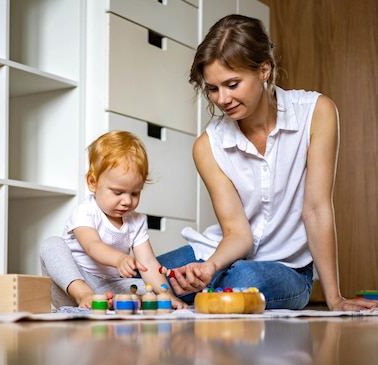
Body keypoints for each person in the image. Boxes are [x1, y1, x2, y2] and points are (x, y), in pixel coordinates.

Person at [156, 14, 378, 311]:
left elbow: (316, 210)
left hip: (287, 269)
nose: (222, 99)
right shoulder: (207, 147)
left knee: (242, 279)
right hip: (222, 253)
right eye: (212, 88)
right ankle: (203, 294)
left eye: (232, 84)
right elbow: (238, 234)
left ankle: (206, 296)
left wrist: (334, 297)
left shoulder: (316, 113)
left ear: (264, 70)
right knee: (141, 279)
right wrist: (208, 267)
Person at [40, 131, 187, 310]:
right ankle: (84, 296)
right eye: (118, 192)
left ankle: (107, 302)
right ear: (93, 182)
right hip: (72, 284)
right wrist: (119, 260)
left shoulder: (136, 221)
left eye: (135, 193)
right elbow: (92, 246)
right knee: (51, 244)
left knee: (145, 289)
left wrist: (167, 295)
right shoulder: (85, 212)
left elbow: (148, 262)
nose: (127, 201)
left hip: (108, 286)